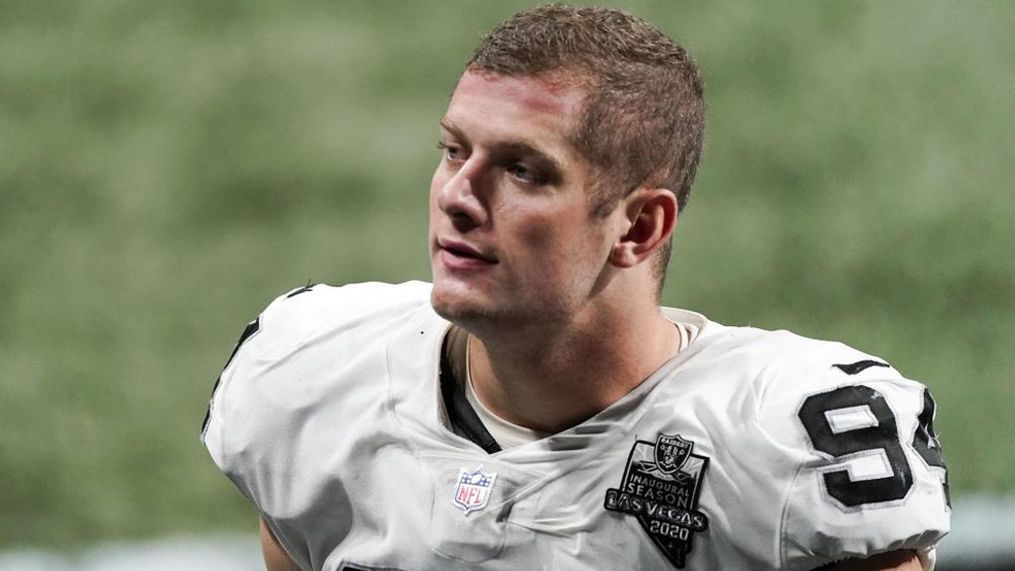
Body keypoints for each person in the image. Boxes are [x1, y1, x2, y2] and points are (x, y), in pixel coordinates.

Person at [201, 5, 950, 570]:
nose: (457, 195)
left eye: (523, 170)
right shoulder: (315, 379)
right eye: (453, 151)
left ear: (638, 228)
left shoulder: (787, 447)